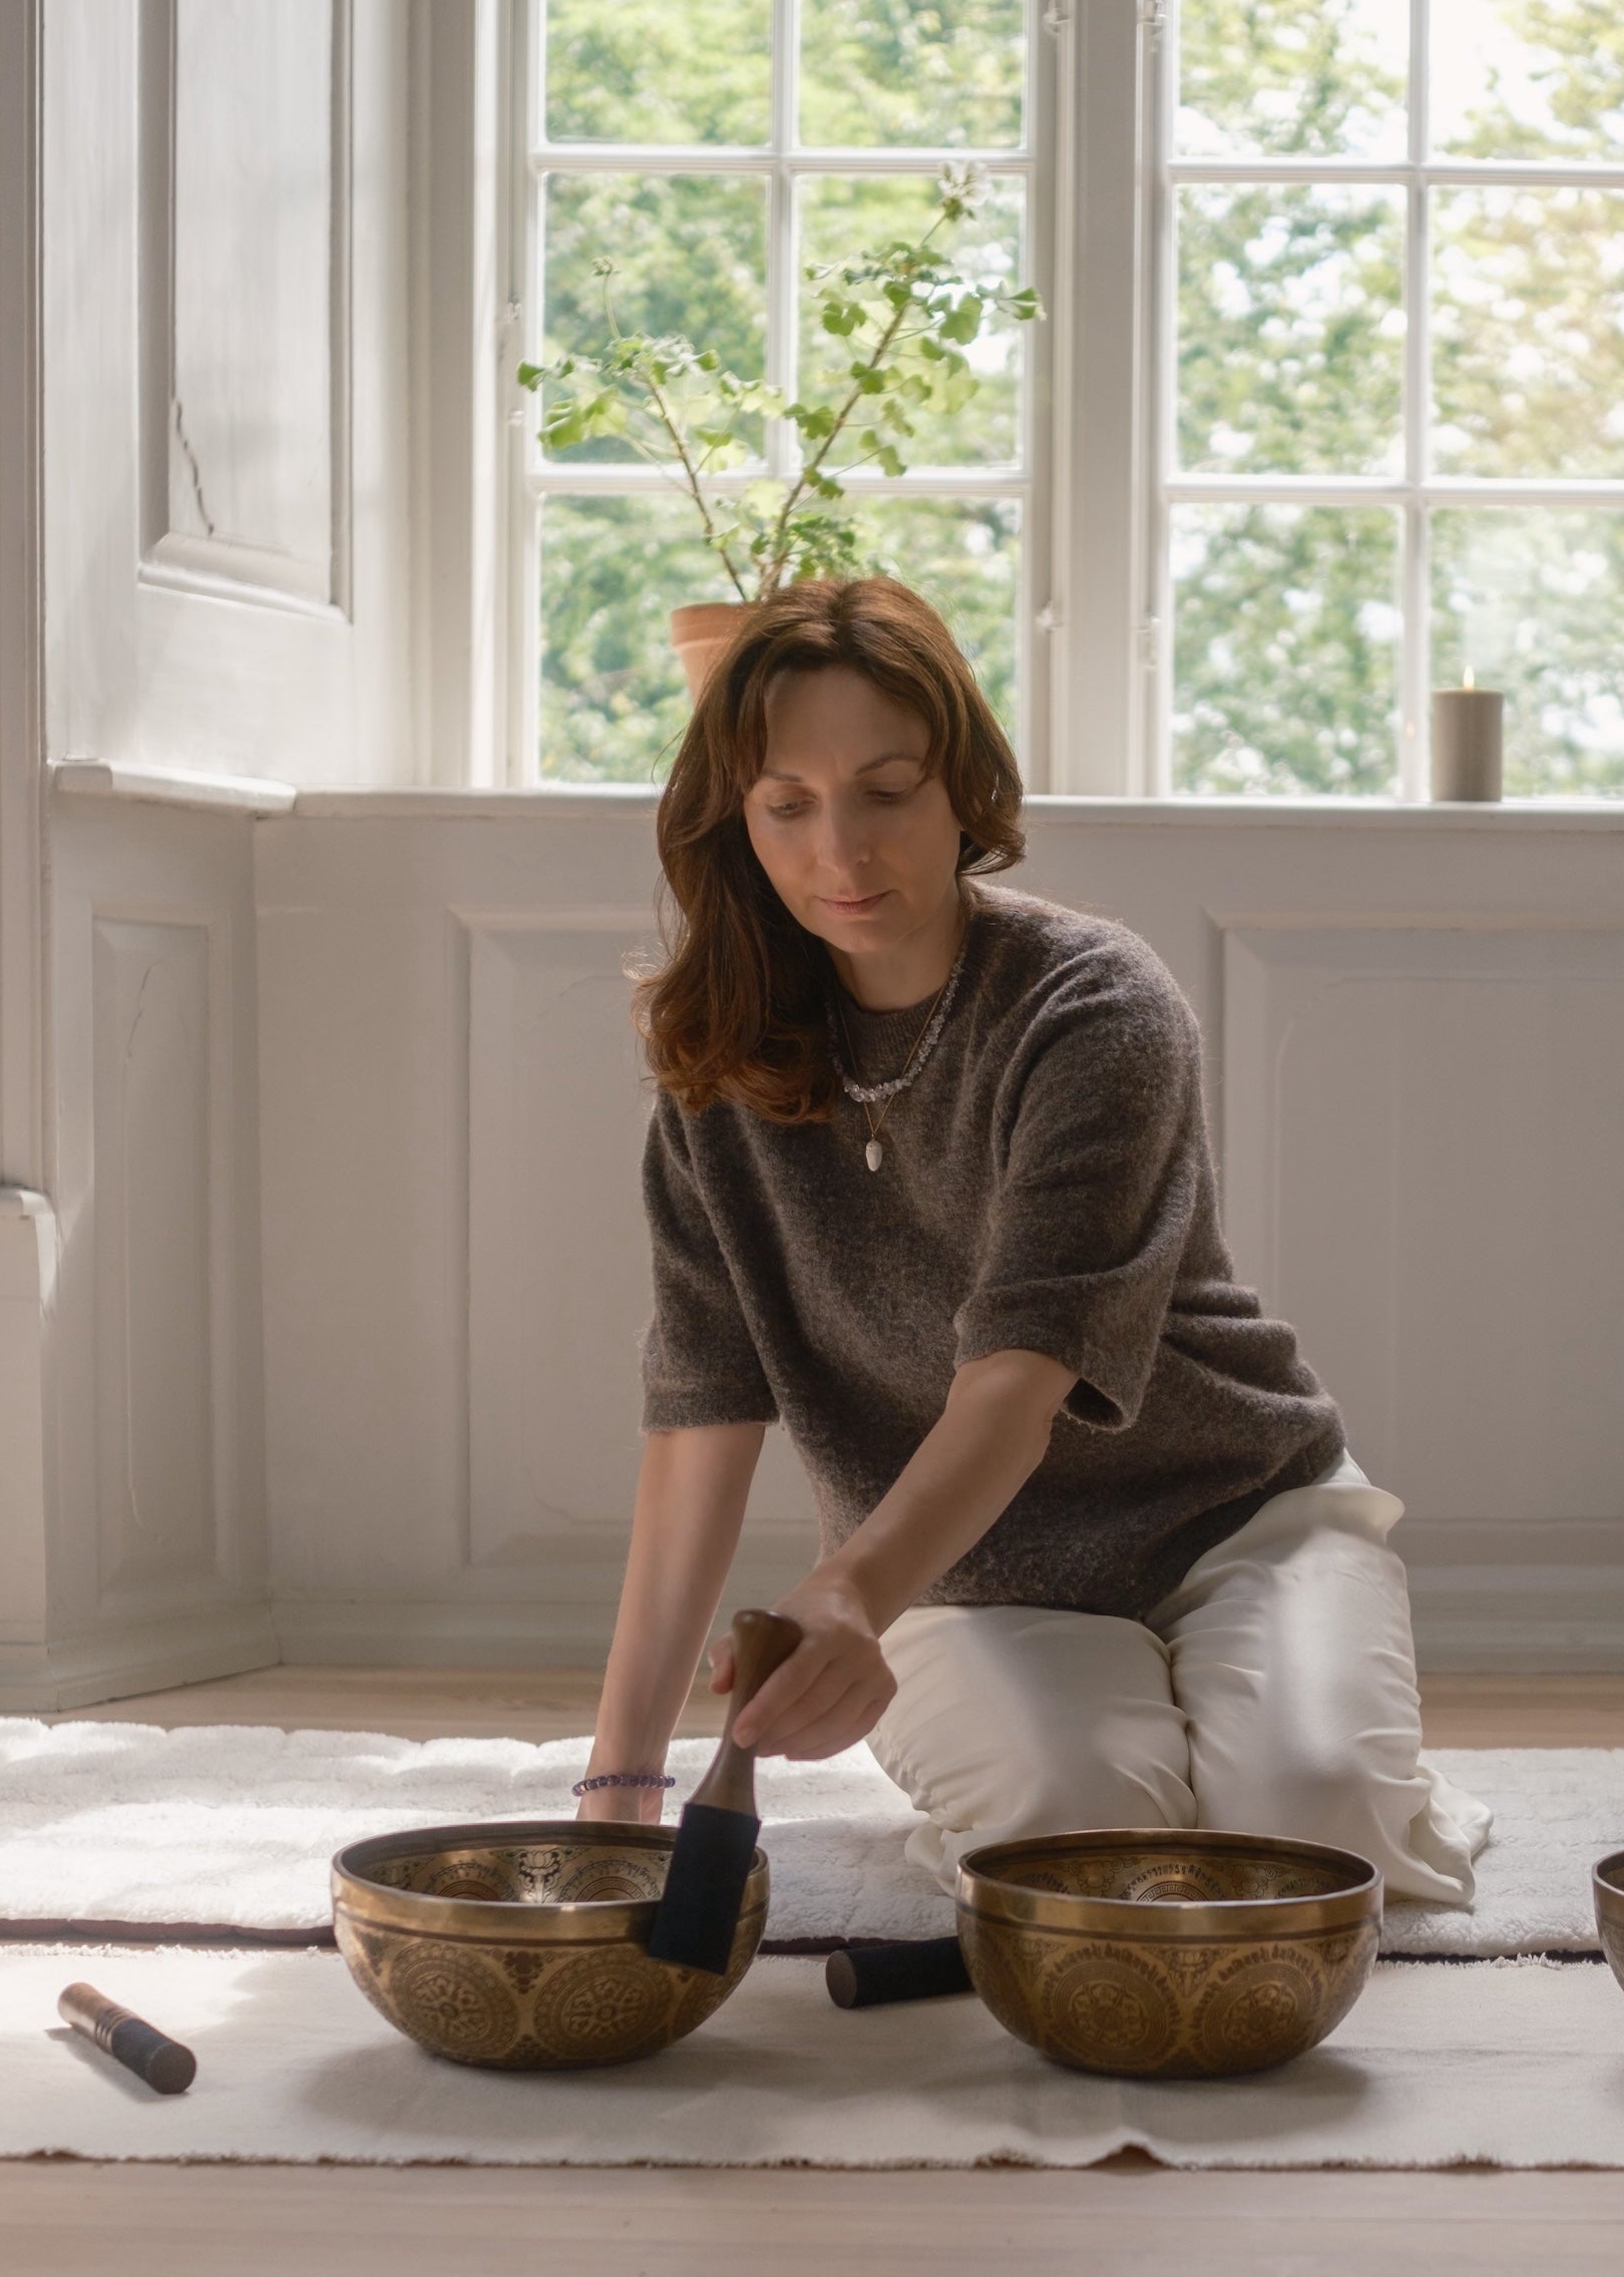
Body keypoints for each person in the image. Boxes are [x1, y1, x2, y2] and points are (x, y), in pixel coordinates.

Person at [577, 574, 1487, 1905]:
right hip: (964, 1580)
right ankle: (1143, 1759)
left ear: (963, 786)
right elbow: (698, 1435)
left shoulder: (1095, 1005)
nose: (843, 852)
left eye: (888, 791)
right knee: (1080, 1847)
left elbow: (1018, 1379)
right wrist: (618, 1792)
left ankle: (1372, 1778)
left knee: (1309, 1825)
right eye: (789, 805)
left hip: (1236, 1519)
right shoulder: (719, 1079)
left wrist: (846, 1594)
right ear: (737, 822)